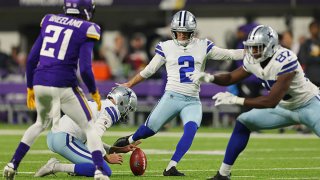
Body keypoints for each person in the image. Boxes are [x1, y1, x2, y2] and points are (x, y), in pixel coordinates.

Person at [113, 10, 244, 176]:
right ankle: (122, 144)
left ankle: (171, 167)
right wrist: (130, 83)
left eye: (185, 32)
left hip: (192, 100)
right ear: (173, 32)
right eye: (178, 32)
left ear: (192, 32)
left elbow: (229, 54)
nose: (181, 36)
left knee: (190, 130)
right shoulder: (166, 47)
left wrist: (253, 53)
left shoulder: (203, 45)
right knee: (147, 131)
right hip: (172, 97)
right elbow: (149, 70)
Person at [190, 25, 320, 180]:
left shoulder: (285, 58)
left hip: (308, 104)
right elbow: (231, 77)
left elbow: (271, 101)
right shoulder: (253, 60)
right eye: (251, 48)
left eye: (258, 47)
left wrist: (236, 100)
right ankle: (223, 175)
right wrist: (211, 77)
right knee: (244, 122)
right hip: (284, 108)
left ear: (270, 46)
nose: (253, 52)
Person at [3, 0, 111, 179]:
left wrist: (30, 87)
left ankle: (12, 164)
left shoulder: (49, 19)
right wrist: (94, 91)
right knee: (89, 126)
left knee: (39, 124)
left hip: (40, 81)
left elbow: (31, 59)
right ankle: (99, 170)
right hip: (63, 83)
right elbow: (85, 68)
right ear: (87, 9)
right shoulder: (88, 28)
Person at [34, 86, 139, 177]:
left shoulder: (100, 104)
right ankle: (55, 166)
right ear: (122, 102)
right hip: (65, 139)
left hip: (55, 136)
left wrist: (117, 149)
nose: (126, 112)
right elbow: (93, 139)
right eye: (127, 108)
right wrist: (107, 157)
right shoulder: (112, 110)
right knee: (104, 170)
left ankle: (79, 169)